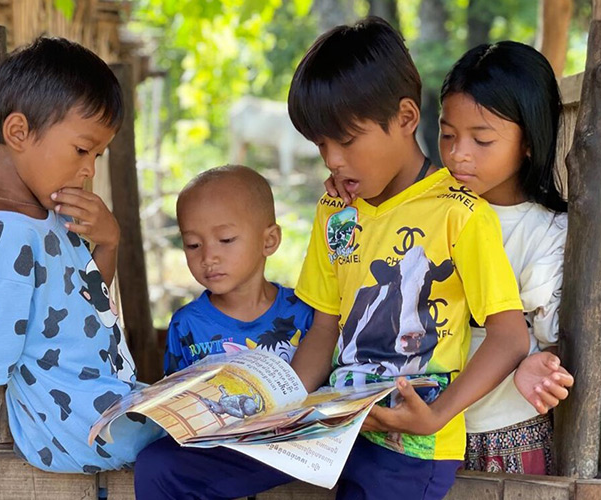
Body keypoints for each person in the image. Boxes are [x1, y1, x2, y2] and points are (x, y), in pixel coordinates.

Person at [136, 17, 547, 500]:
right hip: (329, 425)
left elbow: (509, 335)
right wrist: (272, 409)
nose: (331, 159)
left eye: (346, 141)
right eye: (320, 144)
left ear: (406, 118)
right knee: (163, 467)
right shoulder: (335, 210)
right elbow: (325, 328)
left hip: (407, 444)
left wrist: (436, 415)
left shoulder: (460, 213)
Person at [0, 37, 163, 474]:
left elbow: (92, 306)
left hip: (98, 403)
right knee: (201, 434)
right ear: (18, 132)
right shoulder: (7, 231)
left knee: (198, 416)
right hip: (70, 426)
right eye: (83, 149)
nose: (89, 169)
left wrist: (109, 242)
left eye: (98, 155)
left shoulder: (48, 214)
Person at [438, 41, 574, 474]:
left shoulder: (544, 231)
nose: (459, 153)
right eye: (447, 135)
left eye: (481, 140)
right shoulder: (430, 206)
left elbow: (553, 336)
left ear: (529, 143)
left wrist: (535, 360)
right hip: (425, 435)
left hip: (504, 435)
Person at [163, 165, 313, 375]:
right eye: (193, 244)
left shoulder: (304, 314)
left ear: (269, 241)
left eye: (226, 239)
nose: (208, 258)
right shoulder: (187, 325)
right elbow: (173, 399)